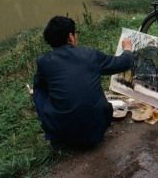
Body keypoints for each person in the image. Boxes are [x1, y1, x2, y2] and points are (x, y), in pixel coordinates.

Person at [33, 15, 133, 149]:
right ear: (70, 37)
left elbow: (41, 90)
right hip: (97, 132)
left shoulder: (43, 62)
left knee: (39, 89)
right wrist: (127, 48)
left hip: (63, 138)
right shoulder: (90, 55)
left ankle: (53, 129)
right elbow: (123, 63)